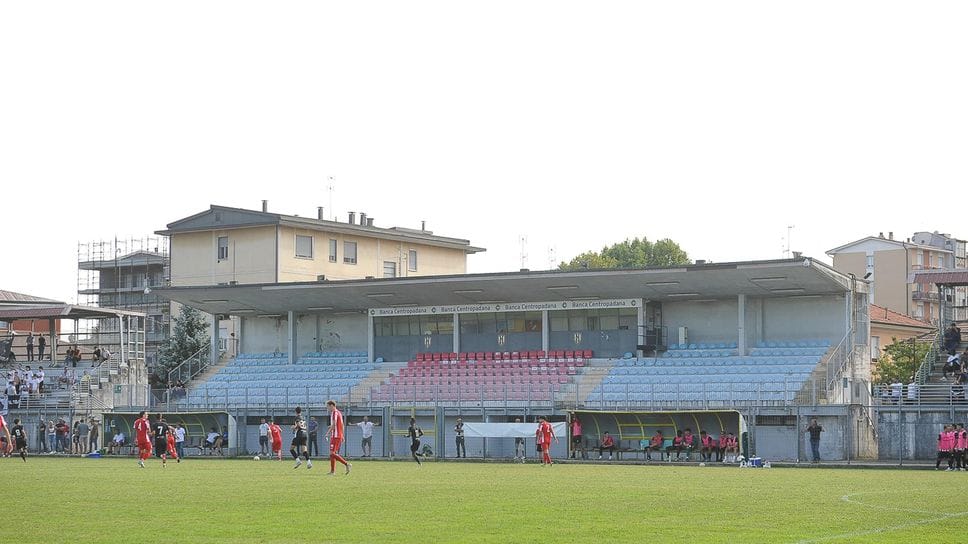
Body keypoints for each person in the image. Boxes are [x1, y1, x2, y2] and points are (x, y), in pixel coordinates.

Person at [326, 400, 351, 475]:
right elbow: (341, 425)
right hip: (338, 435)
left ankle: (347, 464)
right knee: (333, 453)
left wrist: (327, 433)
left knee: (332, 453)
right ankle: (332, 471)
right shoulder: (339, 413)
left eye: (328, 406)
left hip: (335, 436)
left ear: (332, 405)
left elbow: (334, 425)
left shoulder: (334, 413)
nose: (327, 408)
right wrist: (342, 435)